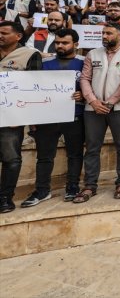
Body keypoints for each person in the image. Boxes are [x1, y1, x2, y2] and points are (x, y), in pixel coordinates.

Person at [21, 29, 85, 207]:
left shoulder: (83, 62)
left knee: (75, 154)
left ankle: (72, 187)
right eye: (57, 43)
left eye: (65, 43)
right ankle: (42, 190)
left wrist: (83, 95)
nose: (60, 46)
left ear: (76, 45)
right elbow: (33, 88)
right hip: (47, 117)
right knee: (44, 156)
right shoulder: (44, 62)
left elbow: (90, 85)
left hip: (75, 115)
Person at [76, 22, 120, 203]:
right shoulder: (92, 54)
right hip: (92, 108)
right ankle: (90, 185)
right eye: (103, 33)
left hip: (119, 108)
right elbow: (85, 79)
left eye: (108, 33)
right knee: (92, 147)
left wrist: (110, 102)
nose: (104, 36)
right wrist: (93, 101)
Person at [0, 21, 43, 213]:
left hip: (11, 117)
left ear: (18, 36)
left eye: (4, 33)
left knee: (11, 158)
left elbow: (34, 88)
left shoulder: (30, 55)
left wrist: (24, 116)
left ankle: (5, 198)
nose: (0, 35)